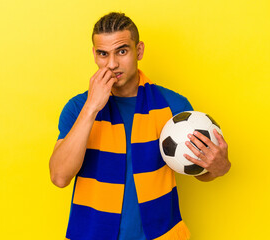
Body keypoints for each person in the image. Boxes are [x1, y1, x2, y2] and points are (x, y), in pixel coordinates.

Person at [49, 12, 231, 240]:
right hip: (92, 234)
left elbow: (197, 169)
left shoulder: (174, 106)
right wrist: (91, 108)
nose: (112, 64)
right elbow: (59, 177)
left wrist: (218, 168)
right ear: (94, 55)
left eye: (122, 51)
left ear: (139, 50)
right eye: (103, 54)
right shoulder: (78, 108)